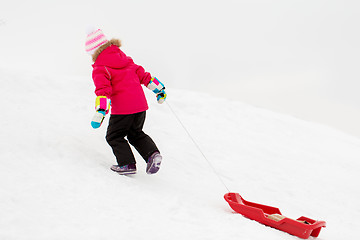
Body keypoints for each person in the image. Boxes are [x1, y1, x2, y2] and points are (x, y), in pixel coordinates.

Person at [85, 28, 167, 175]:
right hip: (140, 107)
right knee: (136, 133)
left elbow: (103, 91)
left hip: (123, 110)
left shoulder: (100, 68)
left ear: (94, 53)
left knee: (114, 136)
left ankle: (126, 164)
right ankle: (152, 154)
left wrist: (101, 112)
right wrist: (160, 90)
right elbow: (146, 77)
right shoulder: (126, 61)